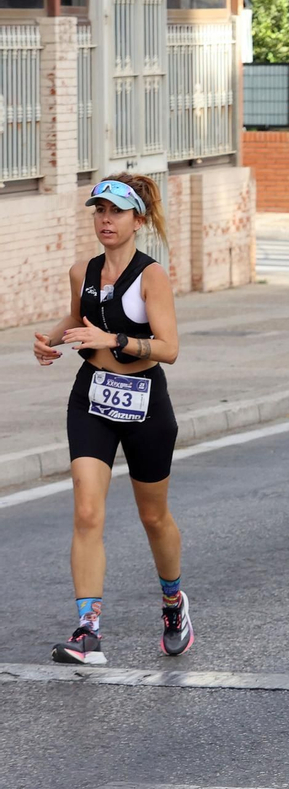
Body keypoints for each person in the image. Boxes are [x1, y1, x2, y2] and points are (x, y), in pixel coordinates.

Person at [33, 175, 189, 666]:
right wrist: (51, 338)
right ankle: (88, 630)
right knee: (86, 512)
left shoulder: (152, 277)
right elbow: (79, 315)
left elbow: (169, 349)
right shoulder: (82, 269)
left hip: (145, 402)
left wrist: (116, 340)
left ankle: (173, 603)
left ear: (137, 220)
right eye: (99, 211)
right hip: (93, 398)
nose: (105, 220)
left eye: (116, 212)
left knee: (153, 516)